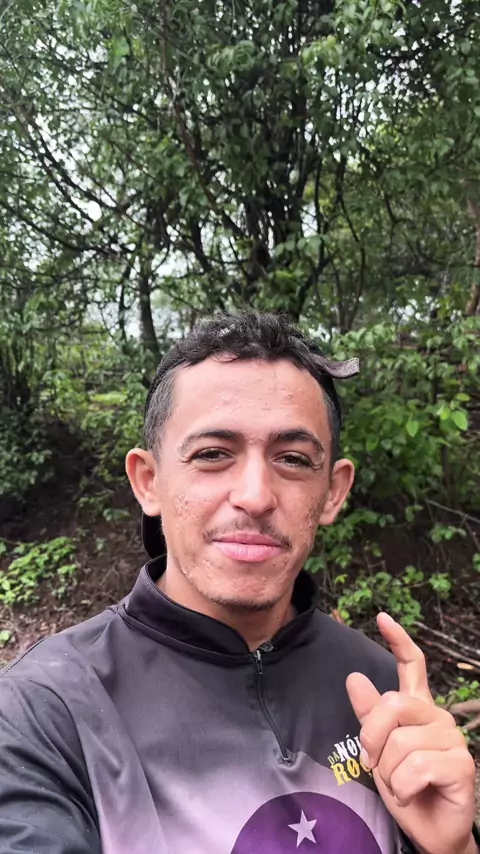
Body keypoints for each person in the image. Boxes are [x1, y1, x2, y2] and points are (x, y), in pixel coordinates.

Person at [0, 311, 477, 854]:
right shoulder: (47, 713)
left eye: (293, 459)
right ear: (148, 482)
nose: (255, 496)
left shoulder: (382, 690)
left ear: (332, 492)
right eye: (212, 454)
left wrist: (454, 848)